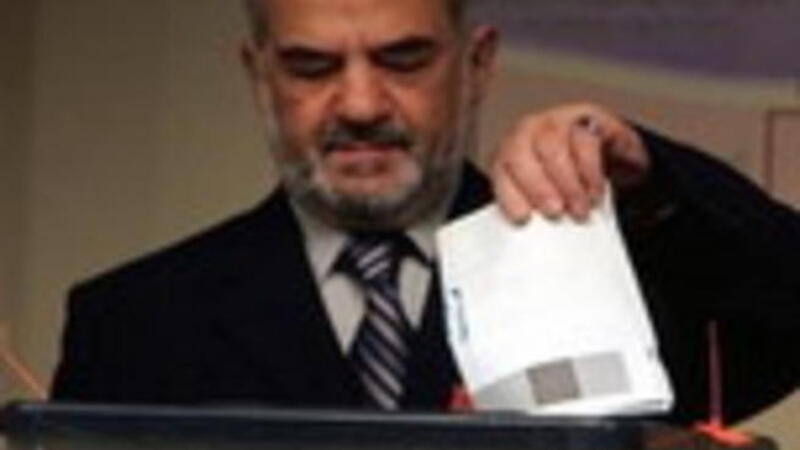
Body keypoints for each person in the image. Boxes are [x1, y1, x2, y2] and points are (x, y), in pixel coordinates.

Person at [51, 0, 798, 424]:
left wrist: (651, 179)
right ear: (258, 75)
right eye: (311, 67)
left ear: (476, 64)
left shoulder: (613, 276)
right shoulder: (131, 324)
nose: (360, 104)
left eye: (403, 60)